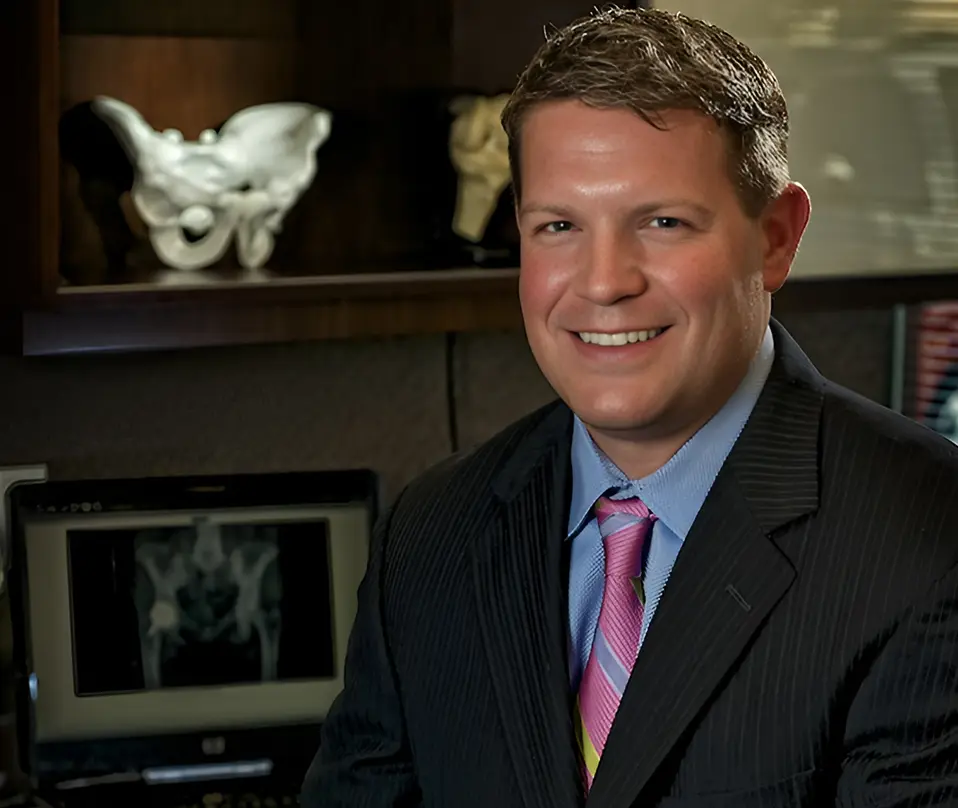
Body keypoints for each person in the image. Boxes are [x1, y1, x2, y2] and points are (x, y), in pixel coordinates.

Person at [301, 7, 958, 807]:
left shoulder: (927, 536)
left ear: (776, 237)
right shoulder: (431, 533)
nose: (604, 280)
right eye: (559, 226)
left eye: (663, 221)